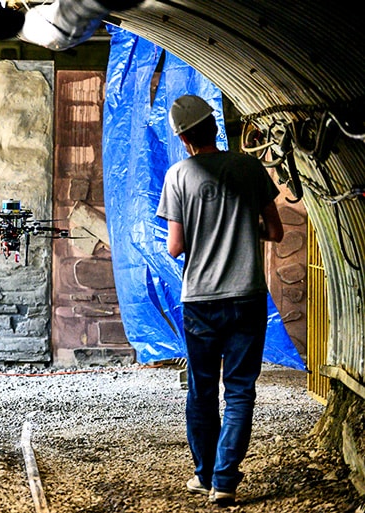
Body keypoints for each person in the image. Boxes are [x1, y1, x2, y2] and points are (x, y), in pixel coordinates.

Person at [155, 94, 284, 506]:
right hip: (247, 296)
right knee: (242, 389)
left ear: (184, 139)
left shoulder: (178, 175)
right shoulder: (249, 167)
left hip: (201, 300)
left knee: (202, 389)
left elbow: (175, 246)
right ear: (213, 127)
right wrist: (245, 228)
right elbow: (276, 232)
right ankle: (225, 480)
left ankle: (204, 473)